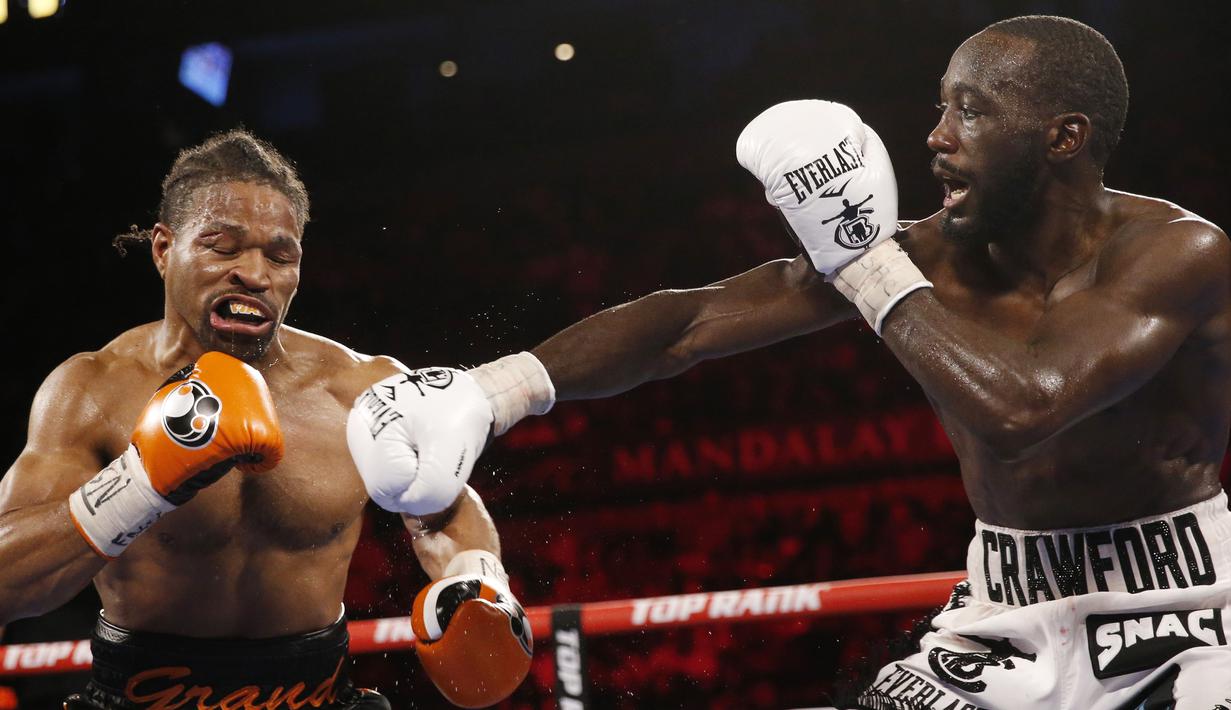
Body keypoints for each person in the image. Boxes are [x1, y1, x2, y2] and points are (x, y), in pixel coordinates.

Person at [401, 15, 1231, 709]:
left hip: (1187, 613)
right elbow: (691, 322)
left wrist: (864, 264)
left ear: (1062, 137)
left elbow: (1024, 409)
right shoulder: (928, 256)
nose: (936, 137)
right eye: (940, 106)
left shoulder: (1178, 253)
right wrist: (493, 391)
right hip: (1003, 614)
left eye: (971, 111)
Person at [0, 131, 538, 709]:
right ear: (163, 250)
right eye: (223, 247)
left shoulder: (360, 388)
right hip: (143, 696)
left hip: (319, 697)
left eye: (280, 257)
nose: (255, 274)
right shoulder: (92, 391)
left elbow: (443, 510)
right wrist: (137, 484)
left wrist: (476, 579)